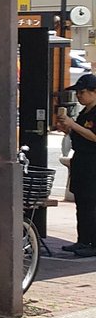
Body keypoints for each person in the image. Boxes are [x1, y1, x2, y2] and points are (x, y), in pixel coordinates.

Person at [50, 73, 96, 255]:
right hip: (81, 161)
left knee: (91, 203)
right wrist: (67, 129)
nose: (78, 96)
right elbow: (80, 135)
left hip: (92, 162)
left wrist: (73, 125)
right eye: (77, 93)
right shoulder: (84, 112)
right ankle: (83, 240)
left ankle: (93, 244)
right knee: (82, 203)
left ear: (94, 92)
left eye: (82, 92)